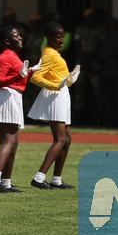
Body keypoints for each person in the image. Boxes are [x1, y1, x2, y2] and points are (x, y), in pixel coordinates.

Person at [0, 26, 36, 193]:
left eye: (20, 35)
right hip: (6, 97)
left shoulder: (13, 56)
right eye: (16, 36)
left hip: (12, 97)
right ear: (7, 41)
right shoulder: (5, 57)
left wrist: (30, 72)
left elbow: (18, 78)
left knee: (13, 143)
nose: (20, 38)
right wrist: (21, 75)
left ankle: (6, 182)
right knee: (8, 142)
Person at [28, 22, 79, 191]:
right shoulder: (50, 54)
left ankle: (56, 179)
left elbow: (58, 77)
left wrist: (70, 79)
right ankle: (39, 177)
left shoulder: (54, 53)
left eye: (62, 36)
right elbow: (35, 77)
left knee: (67, 139)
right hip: (55, 97)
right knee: (61, 139)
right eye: (57, 37)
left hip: (61, 95)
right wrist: (55, 86)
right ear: (48, 38)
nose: (61, 40)